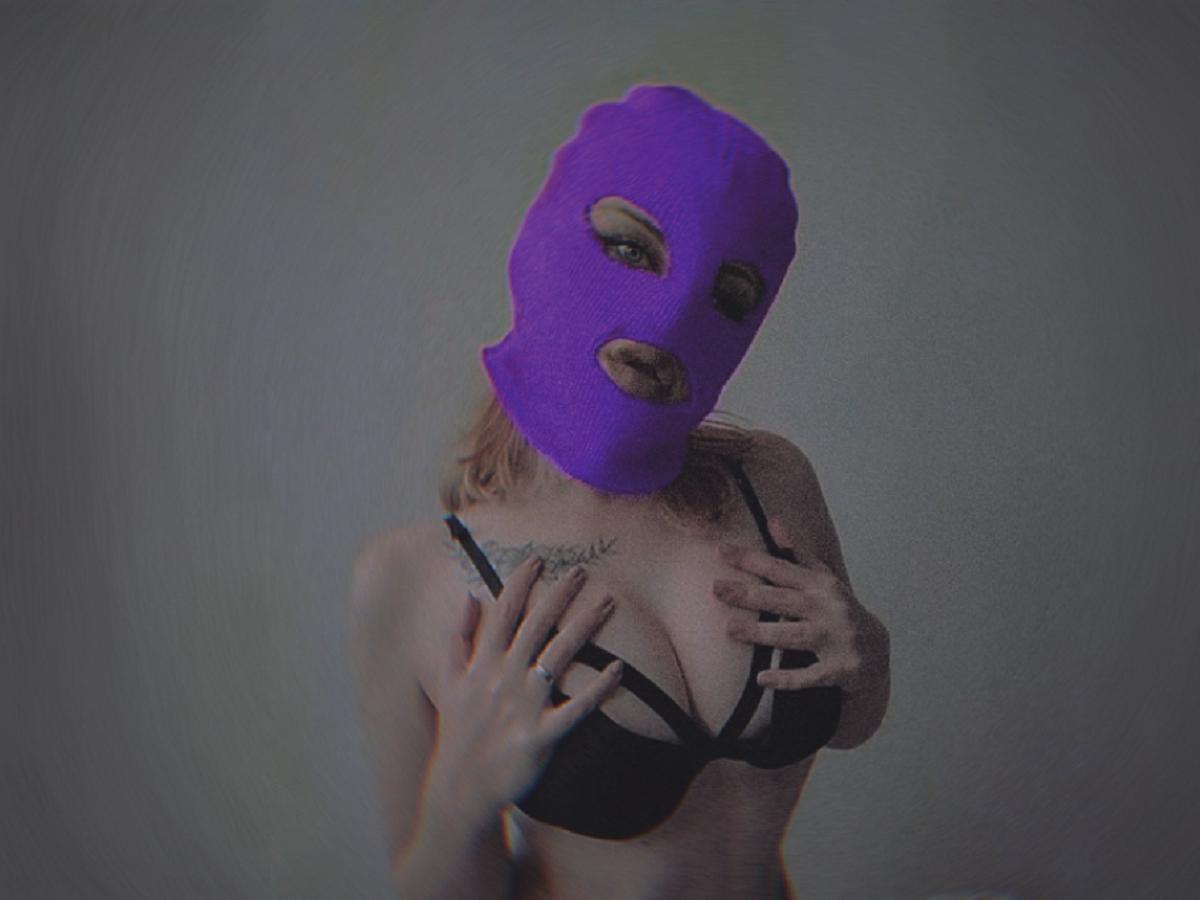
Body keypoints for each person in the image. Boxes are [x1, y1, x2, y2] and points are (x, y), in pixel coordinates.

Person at [350, 84, 891, 900]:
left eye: (727, 294)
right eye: (631, 249)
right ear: (546, 239)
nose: (671, 318)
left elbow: (852, 718)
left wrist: (869, 657)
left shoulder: (771, 482)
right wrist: (458, 807)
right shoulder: (410, 581)